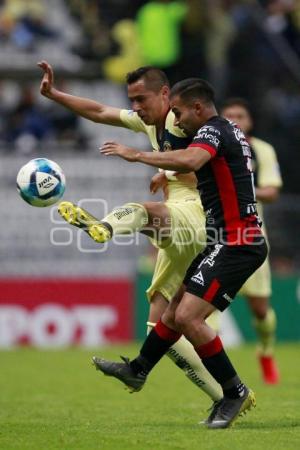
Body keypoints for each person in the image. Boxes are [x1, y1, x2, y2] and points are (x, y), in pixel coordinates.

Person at [38, 62, 223, 405]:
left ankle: (103, 227)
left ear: (165, 95)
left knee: (143, 211)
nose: (136, 107)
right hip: (182, 220)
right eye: (132, 100)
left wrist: (155, 164)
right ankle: (228, 396)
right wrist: (54, 94)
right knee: (161, 327)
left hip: (198, 214)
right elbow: (98, 111)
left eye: (142, 99)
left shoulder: (181, 120)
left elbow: (204, 160)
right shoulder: (149, 120)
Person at [95, 78, 268, 429]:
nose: (177, 120)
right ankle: (138, 369)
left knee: (189, 317)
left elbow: (191, 159)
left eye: (178, 112)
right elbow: (198, 165)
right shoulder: (229, 131)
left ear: (198, 109)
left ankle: (233, 392)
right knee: (173, 313)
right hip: (225, 237)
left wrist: (138, 154)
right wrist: (165, 172)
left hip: (238, 240)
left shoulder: (212, 131)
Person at [221, 98, 282, 384]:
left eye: (240, 116)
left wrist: (241, 190)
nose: (234, 120)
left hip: (251, 235)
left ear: (250, 121)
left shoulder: (263, 150)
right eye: (228, 115)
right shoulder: (210, 146)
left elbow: (271, 192)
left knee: (260, 309)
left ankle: (266, 352)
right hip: (215, 235)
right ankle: (216, 371)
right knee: (203, 307)